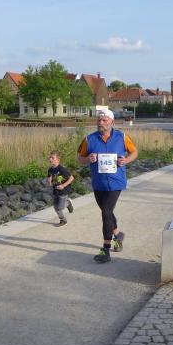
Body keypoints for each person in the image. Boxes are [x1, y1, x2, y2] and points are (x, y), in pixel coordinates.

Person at [77, 108, 138, 263]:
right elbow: (80, 158)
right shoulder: (89, 139)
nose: (101, 122)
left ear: (112, 122)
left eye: (104, 120)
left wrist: (126, 160)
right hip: (99, 183)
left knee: (106, 212)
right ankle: (118, 235)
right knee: (108, 212)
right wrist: (88, 159)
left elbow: (134, 152)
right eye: (99, 120)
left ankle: (105, 249)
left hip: (116, 181)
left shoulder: (122, 137)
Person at [46, 150, 74, 226]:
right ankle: (63, 220)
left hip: (63, 191)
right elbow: (49, 179)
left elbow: (71, 178)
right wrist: (49, 182)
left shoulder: (61, 169)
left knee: (59, 207)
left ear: (58, 160)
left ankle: (68, 203)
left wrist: (63, 185)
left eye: (52, 158)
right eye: (50, 157)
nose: (50, 159)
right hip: (56, 190)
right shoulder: (50, 170)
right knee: (55, 207)